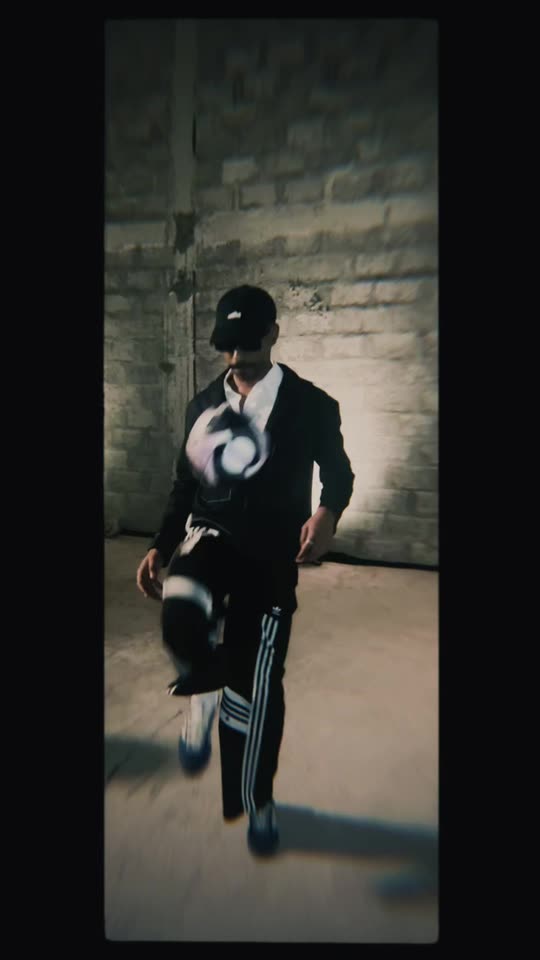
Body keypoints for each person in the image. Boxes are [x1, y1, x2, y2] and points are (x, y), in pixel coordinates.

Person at [136, 285, 354, 856]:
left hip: (270, 554)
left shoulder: (310, 405)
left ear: (273, 335)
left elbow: (339, 473)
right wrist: (161, 545)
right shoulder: (203, 405)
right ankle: (205, 689)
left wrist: (327, 513)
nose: (237, 358)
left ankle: (257, 800)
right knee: (182, 609)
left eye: (248, 344)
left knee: (254, 689)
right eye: (228, 346)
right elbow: (184, 484)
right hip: (208, 535)